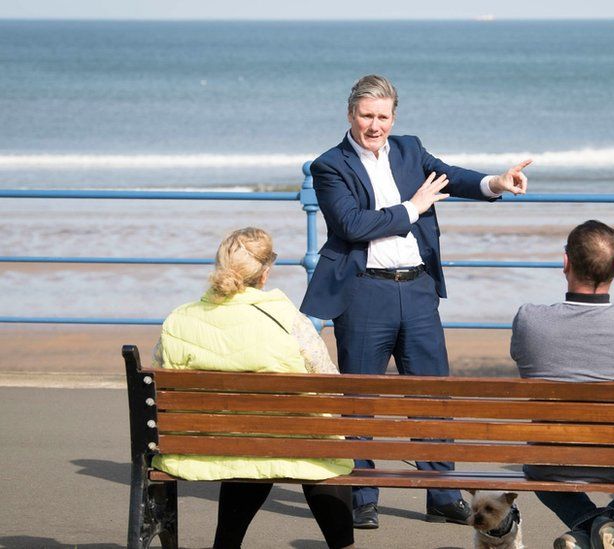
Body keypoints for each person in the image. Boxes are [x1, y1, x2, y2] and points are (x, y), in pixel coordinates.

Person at [299, 74, 532, 529]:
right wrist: (414, 206)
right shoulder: (329, 166)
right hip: (365, 291)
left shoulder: (410, 149)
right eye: (366, 115)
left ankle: (442, 493)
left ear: (394, 117)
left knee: (432, 394)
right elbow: (351, 224)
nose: (374, 125)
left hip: (419, 288)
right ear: (350, 115)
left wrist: (496, 182)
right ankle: (362, 495)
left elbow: (454, 178)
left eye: (382, 116)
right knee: (360, 398)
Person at [151, 227, 355, 549]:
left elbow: (161, 382)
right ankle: (344, 546)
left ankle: (226, 544)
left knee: (248, 444)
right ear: (265, 272)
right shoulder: (286, 318)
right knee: (316, 449)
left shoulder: (179, 319)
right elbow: (327, 381)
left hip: (206, 446)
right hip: (281, 442)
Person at [510, 220, 614, 549]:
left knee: (536, 465)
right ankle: (606, 526)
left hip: (551, 462)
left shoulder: (529, 319)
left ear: (565, 263)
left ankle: (585, 527)